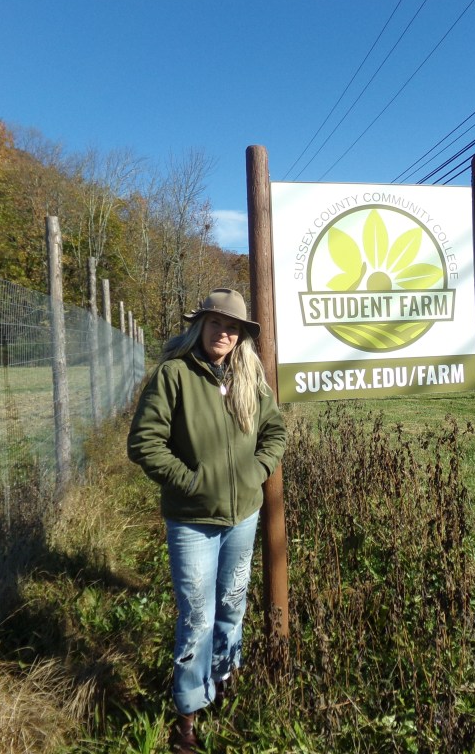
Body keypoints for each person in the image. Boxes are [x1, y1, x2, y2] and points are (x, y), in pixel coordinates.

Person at [127, 288, 287, 753]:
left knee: (233, 604)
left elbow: (274, 429)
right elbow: (144, 443)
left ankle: (224, 679)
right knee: (197, 614)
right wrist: (191, 482)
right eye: (216, 323)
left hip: (243, 518)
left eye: (232, 327)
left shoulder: (249, 378)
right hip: (192, 521)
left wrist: (257, 470)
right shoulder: (173, 375)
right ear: (200, 325)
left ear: (241, 337)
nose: (224, 333)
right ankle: (188, 715)